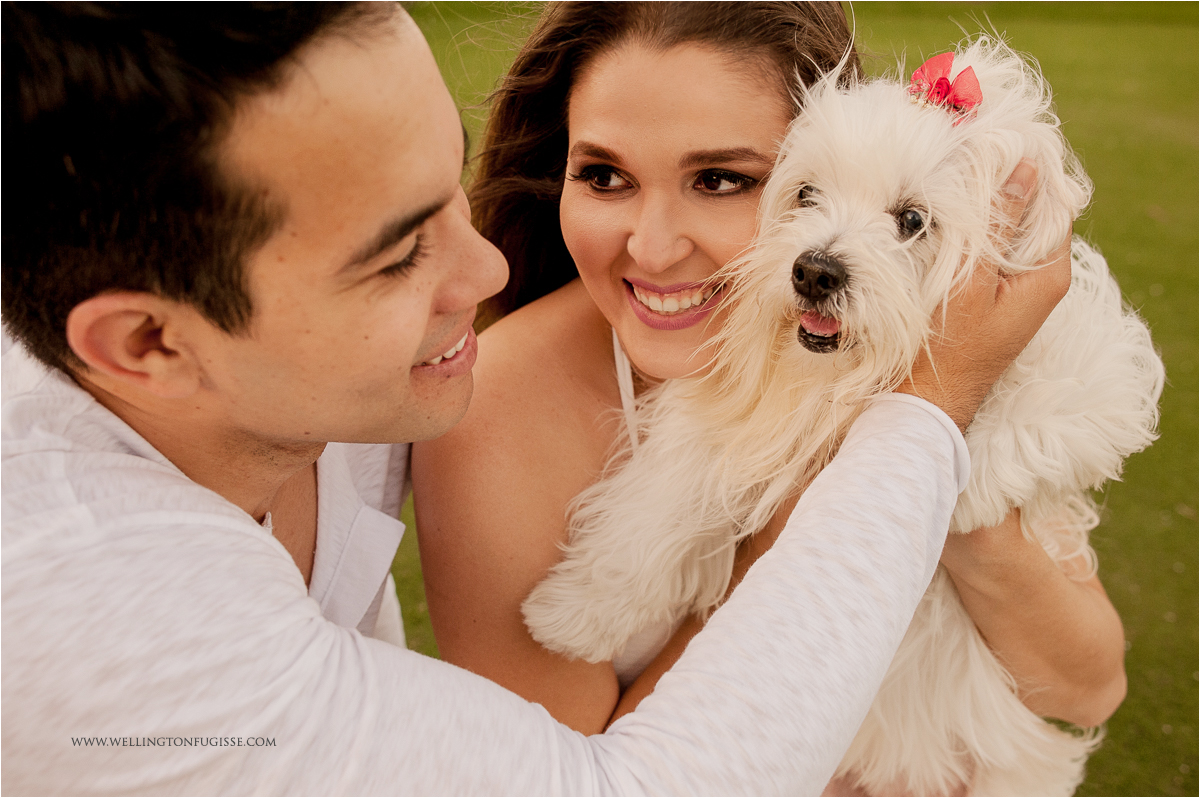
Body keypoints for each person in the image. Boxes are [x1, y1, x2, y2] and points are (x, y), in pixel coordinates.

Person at [2, 3, 1068, 794]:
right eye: (396, 255)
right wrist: (929, 408)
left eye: (449, 195)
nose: (490, 271)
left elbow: (1084, 680)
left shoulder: (309, 381)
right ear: (147, 343)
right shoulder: (106, 630)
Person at [412, 0, 1127, 765]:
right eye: (605, 175)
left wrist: (938, 450)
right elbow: (578, 777)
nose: (652, 248)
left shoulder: (913, 374)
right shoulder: (496, 408)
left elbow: (1087, 690)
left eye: (721, 179)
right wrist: (806, 529)